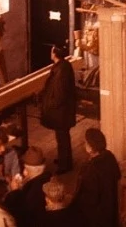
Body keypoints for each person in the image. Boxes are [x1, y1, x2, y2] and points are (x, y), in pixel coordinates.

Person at [39, 44, 77, 174]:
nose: (50, 53)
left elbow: (60, 94)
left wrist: (49, 104)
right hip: (63, 111)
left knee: (62, 138)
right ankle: (64, 160)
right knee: (62, 137)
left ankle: (65, 165)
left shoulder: (61, 71)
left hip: (61, 112)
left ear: (55, 54)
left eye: (51, 52)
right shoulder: (63, 66)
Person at [72, 127, 122, 227]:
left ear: (91, 147)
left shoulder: (90, 169)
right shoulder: (109, 156)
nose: (84, 145)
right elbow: (118, 175)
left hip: (97, 218)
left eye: (85, 142)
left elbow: (89, 199)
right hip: (111, 210)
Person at [3, 145, 53, 225]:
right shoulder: (49, 179)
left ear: (26, 171)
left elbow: (19, 215)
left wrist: (14, 192)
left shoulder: (32, 192)